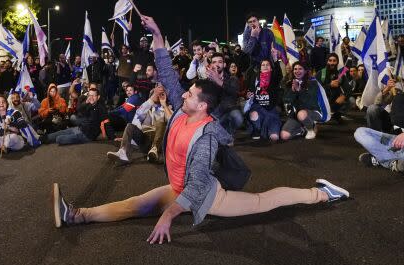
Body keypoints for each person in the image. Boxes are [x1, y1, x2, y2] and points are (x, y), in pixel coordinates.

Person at [52, 15, 350, 241]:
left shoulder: (206, 135)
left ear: (203, 106)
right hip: (179, 187)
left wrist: (168, 216)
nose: (182, 94)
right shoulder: (184, 109)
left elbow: (196, 187)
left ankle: (323, 194)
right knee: (134, 205)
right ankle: (77, 215)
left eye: (190, 94)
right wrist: (156, 34)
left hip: (207, 194)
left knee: (264, 201)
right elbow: (167, 72)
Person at [106, 84, 173, 164]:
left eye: (159, 95)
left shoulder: (168, 109)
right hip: (146, 140)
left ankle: (154, 150)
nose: (157, 97)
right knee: (130, 126)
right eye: (155, 95)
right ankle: (123, 153)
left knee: (160, 122)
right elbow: (137, 117)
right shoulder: (146, 109)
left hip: (160, 141)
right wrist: (127, 139)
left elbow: (173, 123)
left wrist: (164, 105)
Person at [280, 62, 322, 140]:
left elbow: (309, 103)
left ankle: (310, 129)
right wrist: (293, 91)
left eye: (300, 69)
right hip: (296, 114)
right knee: (284, 135)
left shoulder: (312, 83)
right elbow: (286, 100)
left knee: (301, 114)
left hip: (312, 112)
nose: (297, 71)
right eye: (295, 69)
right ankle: (303, 130)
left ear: (305, 71)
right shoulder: (290, 83)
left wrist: (299, 91)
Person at [205, 53, 243, 137]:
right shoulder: (208, 80)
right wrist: (210, 80)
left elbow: (233, 91)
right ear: (211, 64)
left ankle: (229, 132)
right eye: (214, 62)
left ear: (224, 64)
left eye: (219, 62)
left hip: (229, 110)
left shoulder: (232, 78)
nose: (217, 64)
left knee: (238, 118)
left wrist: (217, 80)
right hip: (215, 112)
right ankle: (222, 132)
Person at [245, 59, 283, 142]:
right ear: (260, 68)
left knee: (274, 137)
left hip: (271, 111)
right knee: (253, 114)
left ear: (271, 68)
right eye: (263, 65)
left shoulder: (274, 79)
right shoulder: (255, 79)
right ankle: (256, 129)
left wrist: (276, 60)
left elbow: (279, 75)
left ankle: (268, 130)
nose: (265, 66)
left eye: (267, 65)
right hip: (258, 109)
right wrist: (248, 95)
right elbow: (250, 91)